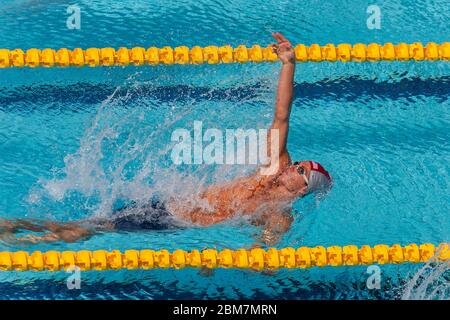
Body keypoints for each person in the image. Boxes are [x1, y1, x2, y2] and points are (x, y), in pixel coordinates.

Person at [0, 33, 332, 246]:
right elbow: (281, 116)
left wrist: (253, 255)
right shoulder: (274, 167)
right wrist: (289, 64)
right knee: (94, 225)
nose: (298, 165)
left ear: (303, 189)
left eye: (303, 171)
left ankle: (22, 240)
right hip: (171, 203)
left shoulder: (280, 214)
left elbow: (263, 250)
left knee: (93, 229)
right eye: (301, 163)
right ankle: (16, 229)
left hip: (178, 222)